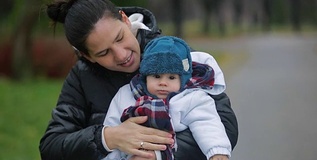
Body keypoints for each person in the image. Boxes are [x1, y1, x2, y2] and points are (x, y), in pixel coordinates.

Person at [40, 0, 238, 160]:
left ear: (125, 20)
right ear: (87, 56)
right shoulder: (81, 77)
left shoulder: (170, 53)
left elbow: (225, 124)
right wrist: (107, 137)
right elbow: (51, 147)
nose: (121, 55)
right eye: (104, 52)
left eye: (119, 38)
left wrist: (156, 153)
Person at [103, 36, 231, 160]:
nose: (163, 83)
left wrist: (217, 150)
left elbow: (206, 122)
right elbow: (112, 127)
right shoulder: (126, 95)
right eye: (156, 76)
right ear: (145, 76)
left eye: (171, 77)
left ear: (182, 80)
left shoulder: (191, 99)